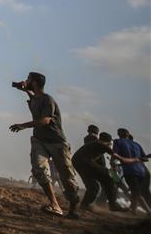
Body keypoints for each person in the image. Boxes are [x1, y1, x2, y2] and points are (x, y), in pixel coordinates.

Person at [9, 72, 81, 219]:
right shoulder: (35, 98)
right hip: (39, 140)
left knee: (66, 176)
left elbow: (45, 120)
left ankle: (74, 205)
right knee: (39, 170)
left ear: (35, 83)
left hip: (56, 141)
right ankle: (54, 204)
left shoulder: (48, 99)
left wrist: (22, 125)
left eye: (28, 79)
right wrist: (26, 91)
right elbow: (34, 100)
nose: (25, 80)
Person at [72, 132, 134, 213]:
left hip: (77, 163)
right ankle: (112, 205)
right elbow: (121, 159)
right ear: (107, 142)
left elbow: (101, 165)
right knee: (109, 180)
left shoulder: (94, 146)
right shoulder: (101, 145)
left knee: (93, 186)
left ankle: (85, 204)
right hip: (84, 163)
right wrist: (136, 159)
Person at [113, 128, 151, 213]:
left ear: (119, 134)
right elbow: (144, 158)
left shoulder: (117, 142)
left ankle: (148, 212)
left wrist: (116, 163)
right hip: (142, 171)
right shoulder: (137, 144)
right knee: (138, 192)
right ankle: (133, 210)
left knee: (136, 192)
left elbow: (114, 154)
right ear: (128, 134)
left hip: (130, 170)